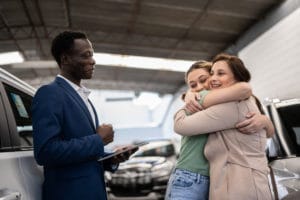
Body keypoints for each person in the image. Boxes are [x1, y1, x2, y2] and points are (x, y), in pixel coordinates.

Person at [32, 31, 133, 200]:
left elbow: (85, 154)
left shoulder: (83, 97)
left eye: (92, 55)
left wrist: (111, 158)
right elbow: (45, 152)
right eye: (85, 55)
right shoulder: (49, 93)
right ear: (65, 59)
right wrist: (98, 140)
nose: (92, 61)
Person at [165, 60, 273, 200]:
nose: (199, 87)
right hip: (189, 176)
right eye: (193, 85)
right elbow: (244, 89)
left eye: (203, 80)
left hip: (216, 180)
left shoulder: (230, 104)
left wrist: (265, 121)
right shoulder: (196, 101)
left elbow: (245, 91)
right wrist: (188, 96)